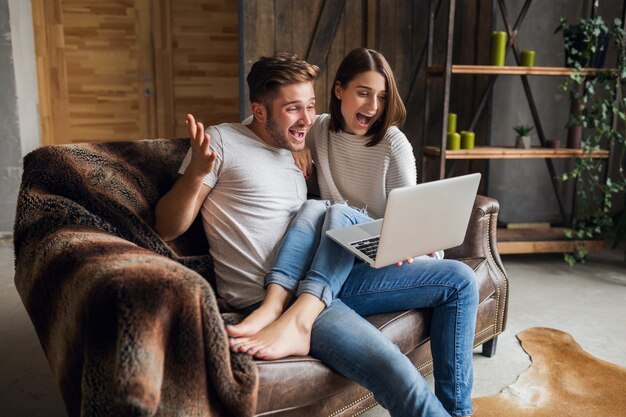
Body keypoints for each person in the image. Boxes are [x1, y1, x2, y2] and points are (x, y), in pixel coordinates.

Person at [155, 51, 475, 417]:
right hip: (274, 294)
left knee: (459, 279)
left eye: (310, 106)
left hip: (329, 276)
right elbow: (167, 227)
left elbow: (309, 152)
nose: (307, 119)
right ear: (260, 112)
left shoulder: (300, 147)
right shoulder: (222, 142)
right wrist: (196, 175)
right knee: (397, 371)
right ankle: (289, 317)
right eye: (294, 109)